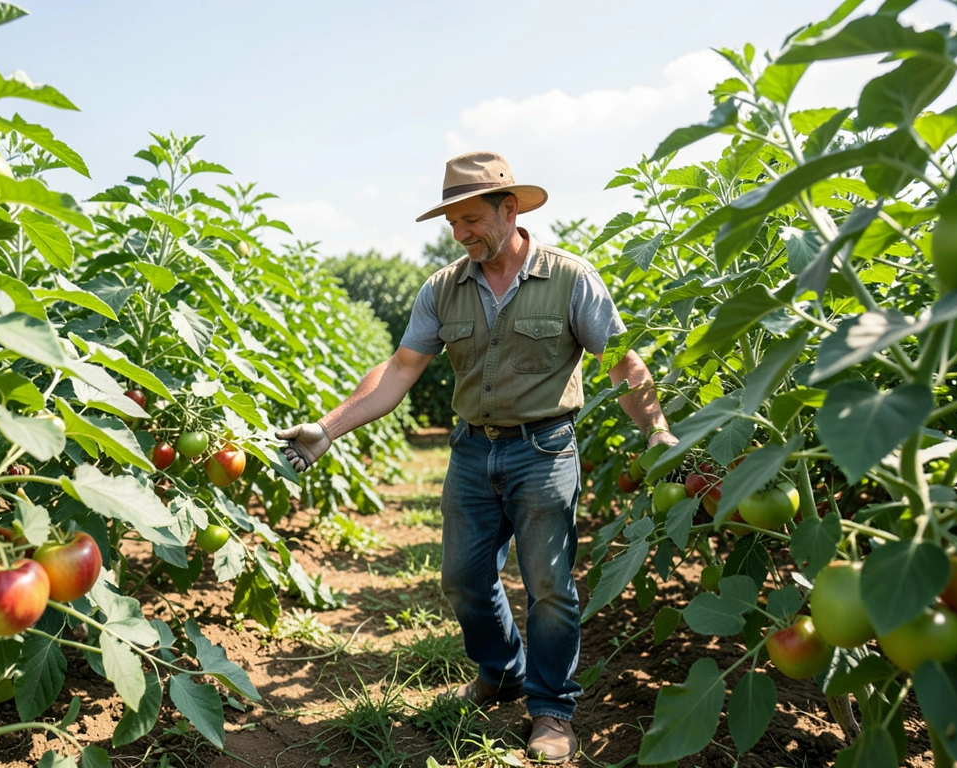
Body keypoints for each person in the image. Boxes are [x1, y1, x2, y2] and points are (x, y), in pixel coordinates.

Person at [277, 151, 678, 764]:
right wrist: (329, 428)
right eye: (452, 223)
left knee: (548, 586)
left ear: (509, 209)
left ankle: (550, 709)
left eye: (471, 219)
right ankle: (502, 669)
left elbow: (621, 362)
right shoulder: (443, 287)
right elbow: (401, 369)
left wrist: (656, 429)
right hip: (471, 452)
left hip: (544, 450)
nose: (461, 234)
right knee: (463, 580)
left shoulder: (570, 278)